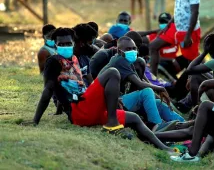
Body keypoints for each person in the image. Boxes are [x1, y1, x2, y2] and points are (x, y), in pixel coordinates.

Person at [26, 27, 175, 151]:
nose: (66, 47)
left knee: (134, 118)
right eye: (61, 44)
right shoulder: (53, 61)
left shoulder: (74, 59)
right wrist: (35, 120)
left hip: (89, 107)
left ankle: (166, 149)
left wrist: (112, 99)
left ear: (73, 43)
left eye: (68, 43)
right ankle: (112, 122)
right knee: (112, 72)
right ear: (55, 45)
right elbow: (48, 90)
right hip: (79, 111)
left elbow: (75, 86)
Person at [99, 36, 183, 131]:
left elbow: (142, 81)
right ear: (119, 51)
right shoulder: (119, 61)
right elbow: (140, 84)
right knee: (147, 91)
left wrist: (158, 94)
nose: (132, 51)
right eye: (128, 49)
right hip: (111, 104)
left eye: (134, 48)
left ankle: (183, 124)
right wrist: (161, 89)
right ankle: (156, 125)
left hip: (121, 100)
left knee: (159, 103)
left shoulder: (127, 61)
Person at [150, 0, 201, 76]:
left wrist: (188, 35)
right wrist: (168, 25)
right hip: (175, 28)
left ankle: (196, 83)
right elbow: (178, 11)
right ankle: (153, 78)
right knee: (153, 46)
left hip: (189, 31)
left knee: (191, 62)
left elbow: (194, 13)